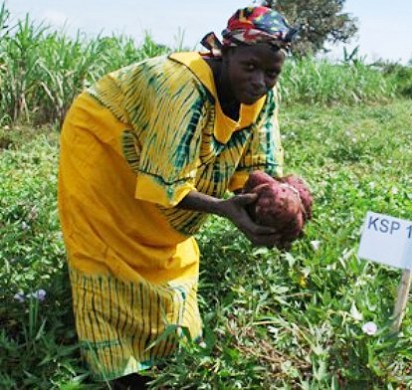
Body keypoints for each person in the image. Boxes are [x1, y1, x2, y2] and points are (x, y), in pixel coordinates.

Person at [57, 6, 298, 384]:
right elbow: (165, 185)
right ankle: (120, 367)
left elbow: (256, 167)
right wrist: (224, 209)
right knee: (109, 237)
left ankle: (169, 344)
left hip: (156, 150)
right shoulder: (182, 87)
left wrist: (285, 199)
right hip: (103, 134)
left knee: (164, 244)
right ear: (226, 52)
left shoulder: (262, 95)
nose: (260, 82)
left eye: (271, 73)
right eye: (250, 67)